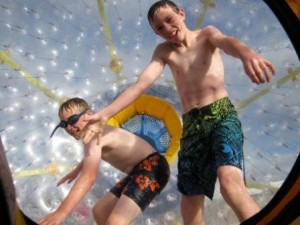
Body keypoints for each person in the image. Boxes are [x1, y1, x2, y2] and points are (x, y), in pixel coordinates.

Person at [84, 1, 276, 224]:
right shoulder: (164, 52)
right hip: (192, 126)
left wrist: (247, 54)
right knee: (190, 200)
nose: (166, 28)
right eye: (159, 28)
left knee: (229, 183)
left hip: (220, 115)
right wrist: (106, 113)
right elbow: (141, 84)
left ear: (181, 14)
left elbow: (226, 42)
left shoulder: (206, 34)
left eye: (169, 20)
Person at [38, 97, 170, 225]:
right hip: (139, 171)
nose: (69, 127)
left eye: (72, 120)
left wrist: (61, 212)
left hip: (153, 166)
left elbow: (89, 176)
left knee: (115, 222)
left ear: (88, 115)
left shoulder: (95, 136)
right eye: (63, 124)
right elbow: (91, 157)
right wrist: (76, 170)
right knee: (100, 211)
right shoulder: (92, 136)